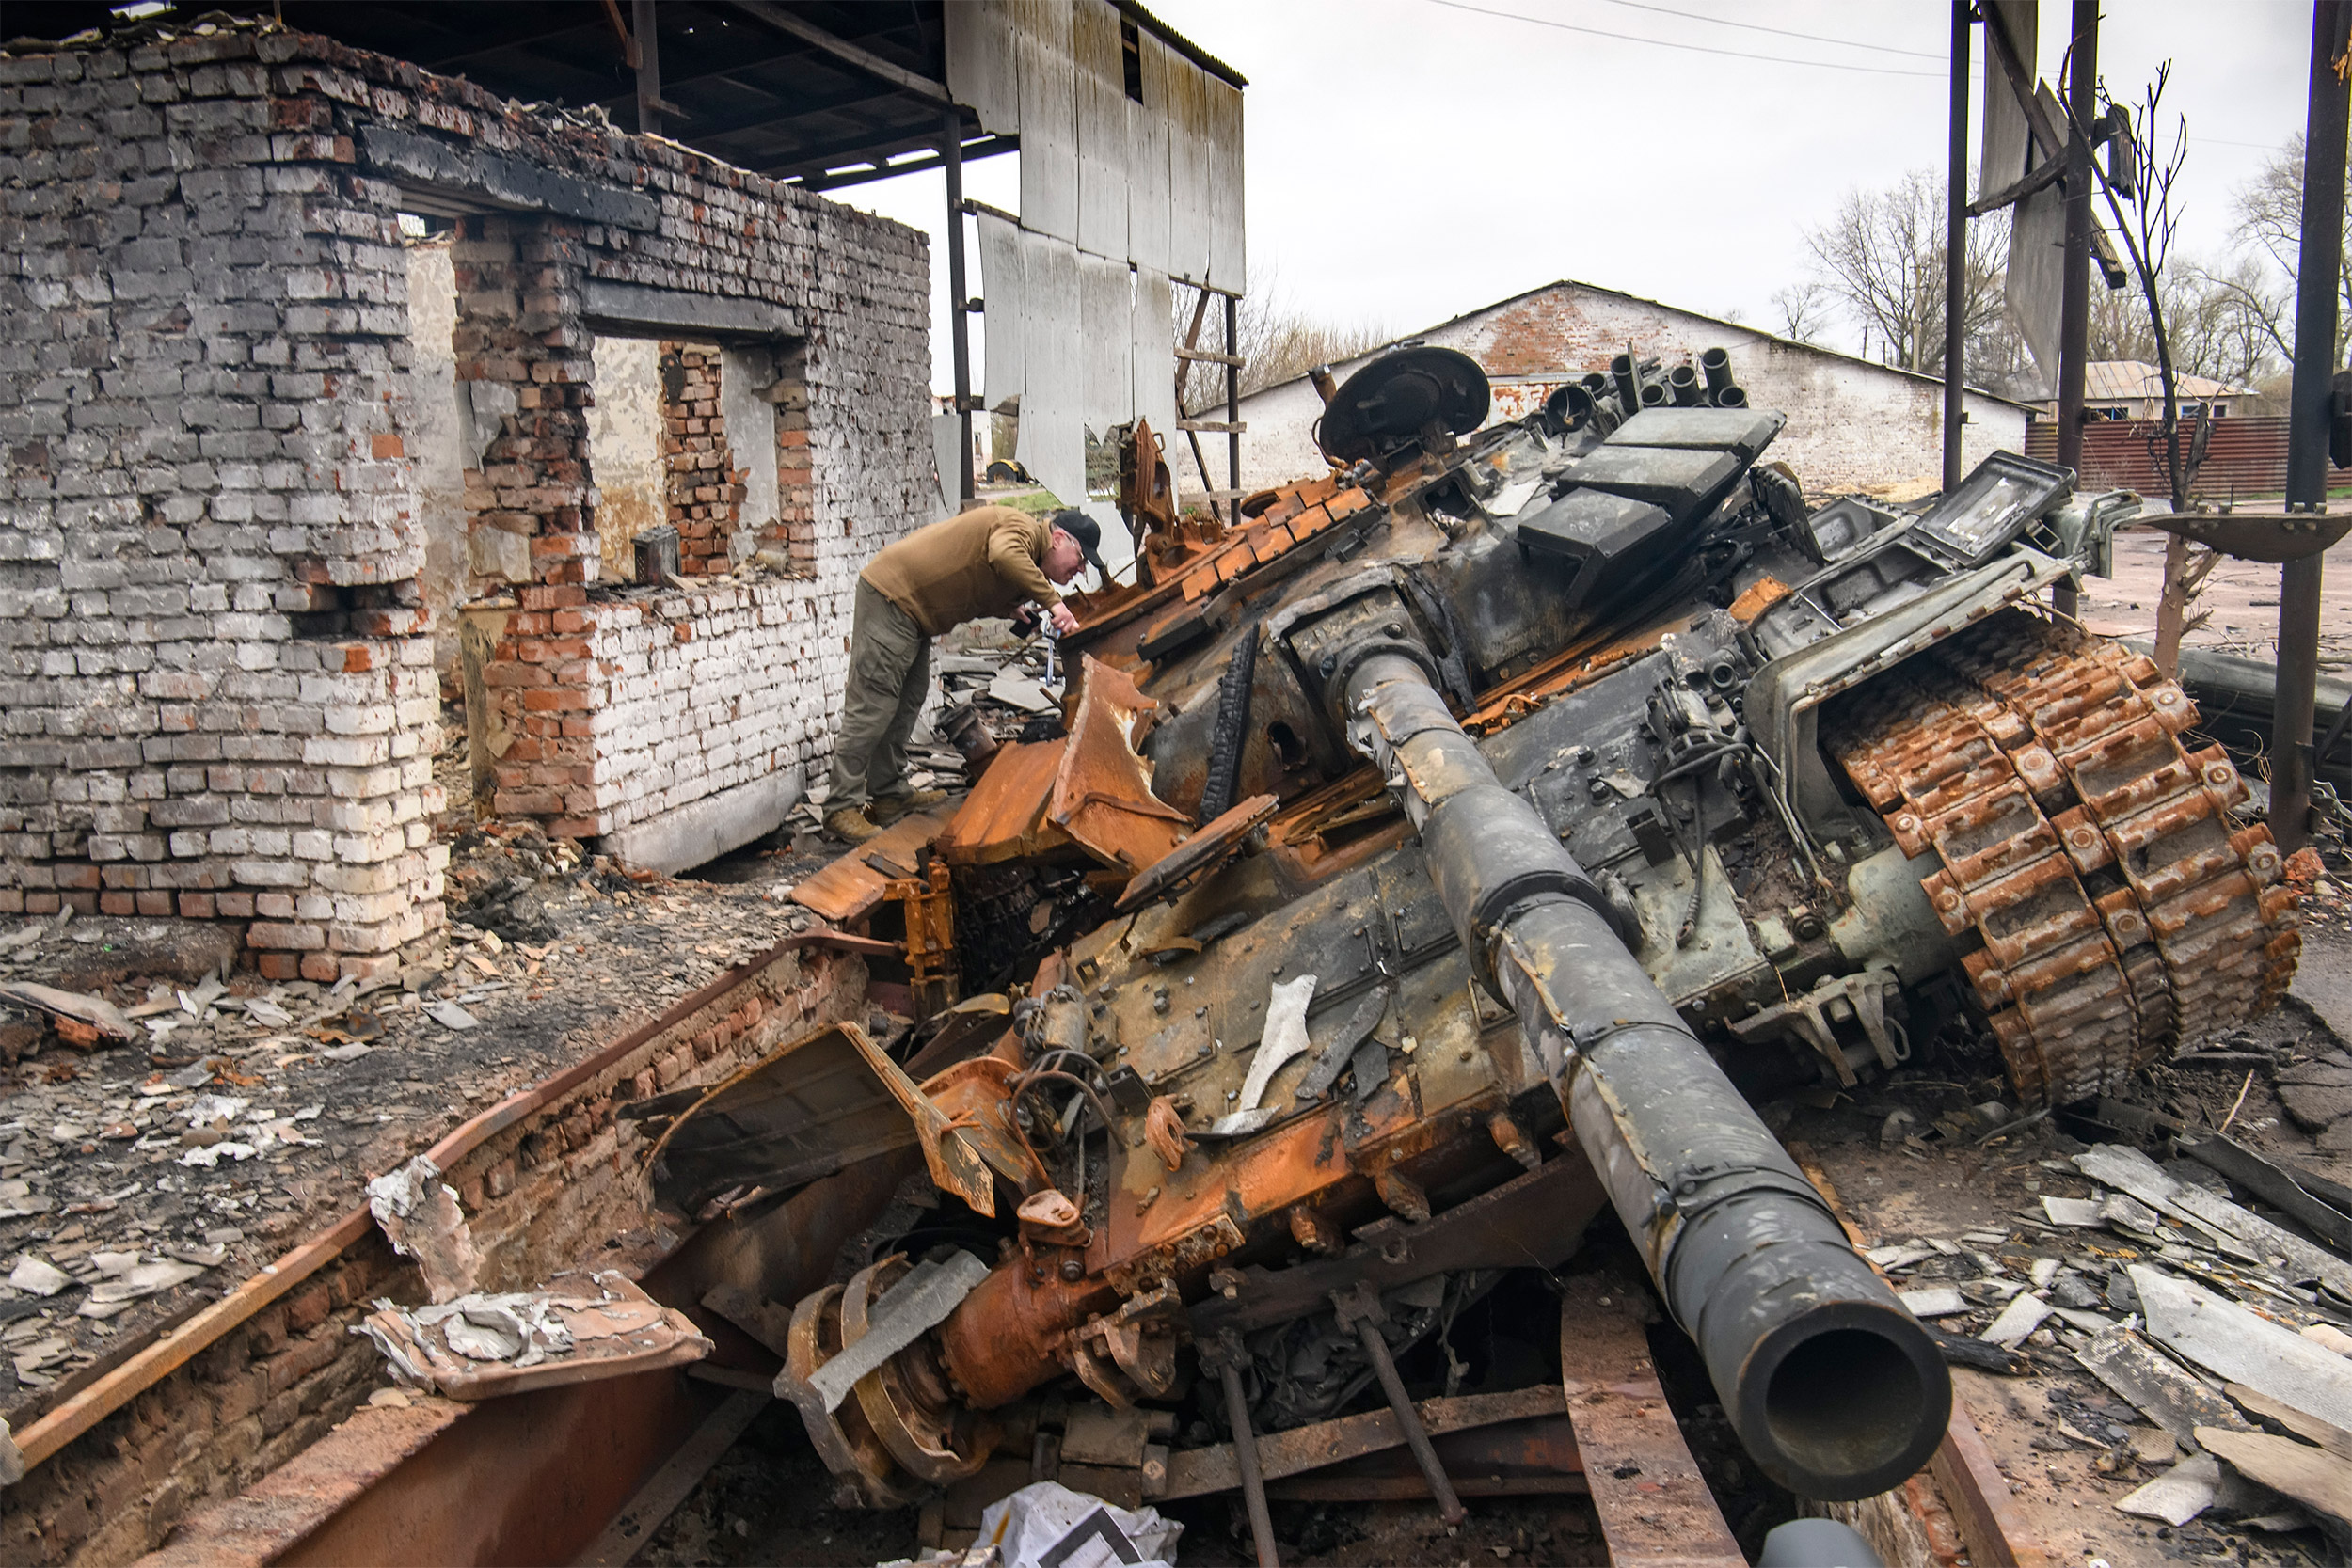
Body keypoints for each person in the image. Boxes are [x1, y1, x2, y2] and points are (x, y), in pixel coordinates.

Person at [824, 505, 1107, 844]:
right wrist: (1053, 603)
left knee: (908, 700)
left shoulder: (1027, 557)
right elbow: (1003, 554)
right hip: (892, 597)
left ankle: (888, 794)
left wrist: (1007, 608)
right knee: (873, 705)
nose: (1079, 570)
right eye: (1079, 558)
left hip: (912, 614)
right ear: (1058, 538)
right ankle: (841, 807)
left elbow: (972, 580)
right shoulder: (1023, 529)